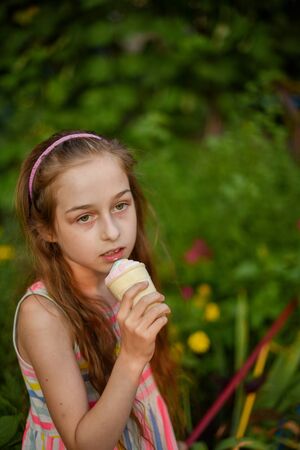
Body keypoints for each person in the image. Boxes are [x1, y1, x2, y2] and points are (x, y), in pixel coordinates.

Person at [13, 131, 186, 450]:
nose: (112, 231)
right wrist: (132, 356)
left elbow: (144, 392)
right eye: (84, 217)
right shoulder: (44, 316)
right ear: (47, 230)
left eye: (120, 205)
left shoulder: (121, 278)